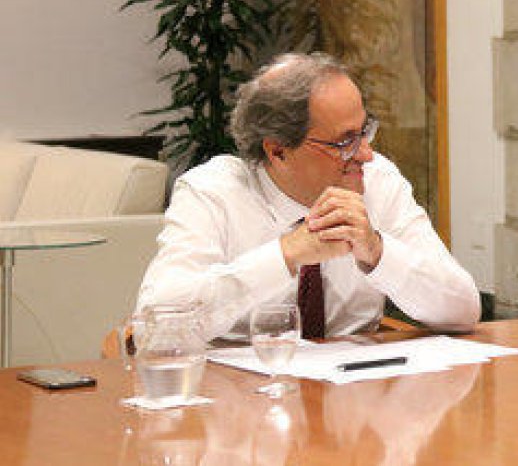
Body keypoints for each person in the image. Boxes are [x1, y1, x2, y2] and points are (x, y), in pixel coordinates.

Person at [136, 53, 480, 341]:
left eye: (364, 132)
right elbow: (155, 328)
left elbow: (464, 310)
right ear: (278, 151)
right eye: (345, 141)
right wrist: (286, 254)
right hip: (241, 403)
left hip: (354, 404)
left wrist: (377, 251)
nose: (366, 154)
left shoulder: (377, 181)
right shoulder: (212, 192)